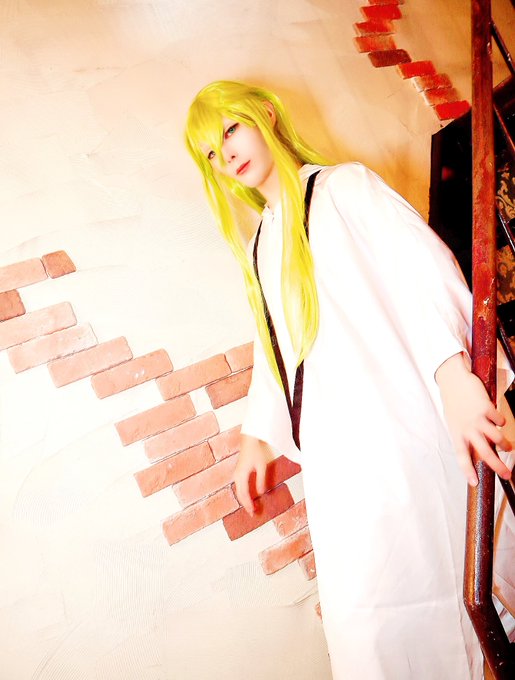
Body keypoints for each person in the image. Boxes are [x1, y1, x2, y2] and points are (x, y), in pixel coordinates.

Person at [185, 80, 514, 679]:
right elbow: (275, 355)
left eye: (230, 130)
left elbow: (422, 273)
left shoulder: (344, 188)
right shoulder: (260, 244)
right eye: (210, 151)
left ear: (266, 114)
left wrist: (455, 377)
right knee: (369, 622)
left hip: (403, 431)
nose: (225, 154)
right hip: (341, 467)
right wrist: (255, 440)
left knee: (456, 582)